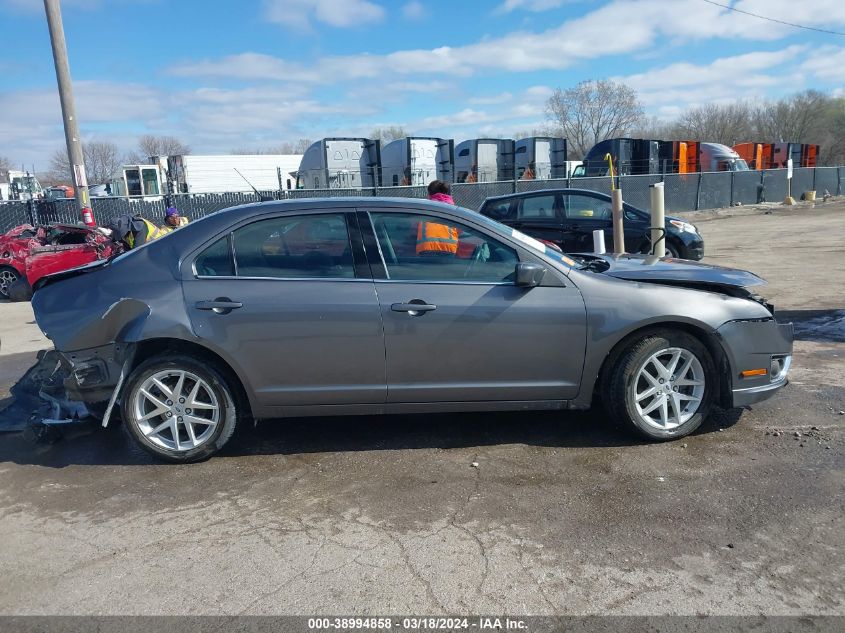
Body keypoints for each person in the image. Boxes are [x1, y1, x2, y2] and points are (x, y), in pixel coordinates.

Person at [416, 181, 459, 256]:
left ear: (430, 194)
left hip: (425, 248)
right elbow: (460, 229)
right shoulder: (452, 209)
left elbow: (415, 228)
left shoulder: (424, 208)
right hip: (449, 249)